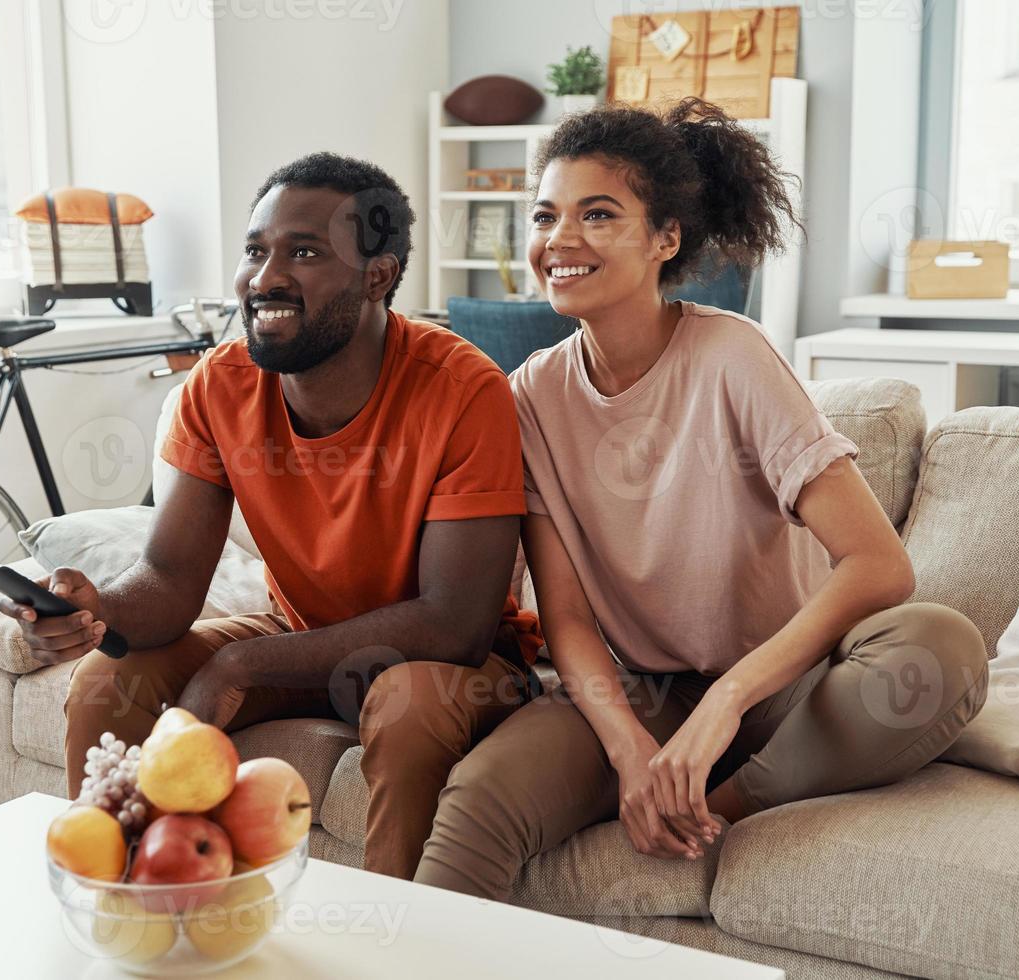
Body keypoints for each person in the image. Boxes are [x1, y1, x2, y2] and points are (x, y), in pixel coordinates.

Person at [413, 99, 989, 898]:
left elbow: (879, 567)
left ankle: (721, 804)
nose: (560, 240)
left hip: (790, 690)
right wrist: (629, 751)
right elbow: (569, 620)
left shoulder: (731, 356)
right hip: (646, 693)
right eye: (545, 215)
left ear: (666, 239)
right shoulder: (531, 396)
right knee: (482, 795)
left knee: (939, 648)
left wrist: (724, 704)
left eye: (600, 214)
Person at [0, 152, 541, 880]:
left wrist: (243, 663)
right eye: (255, 251)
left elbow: (456, 622)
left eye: (304, 252)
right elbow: (167, 578)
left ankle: (401, 948)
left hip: (450, 667)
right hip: (306, 641)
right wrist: (95, 611)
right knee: (108, 679)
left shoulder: (464, 389)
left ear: (377, 276)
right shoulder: (219, 387)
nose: (264, 278)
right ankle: (127, 912)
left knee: (406, 705)